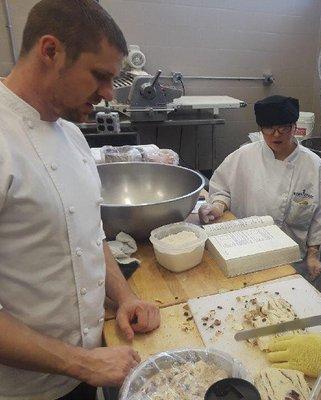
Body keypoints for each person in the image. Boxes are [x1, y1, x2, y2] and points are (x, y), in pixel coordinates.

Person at [0, 1, 160, 399]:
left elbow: (88, 236)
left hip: (85, 374)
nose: (108, 94)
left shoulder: (71, 136)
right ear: (50, 51)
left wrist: (125, 297)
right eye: (100, 76)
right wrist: (81, 362)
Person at [199, 95, 321, 279]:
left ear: (295, 127)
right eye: (269, 128)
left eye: (284, 127)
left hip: (291, 257)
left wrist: (313, 256)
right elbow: (222, 189)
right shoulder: (244, 156)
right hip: (244, 248)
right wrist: (217, 207)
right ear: (260, 128)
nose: (276, 134)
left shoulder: (313, 165)